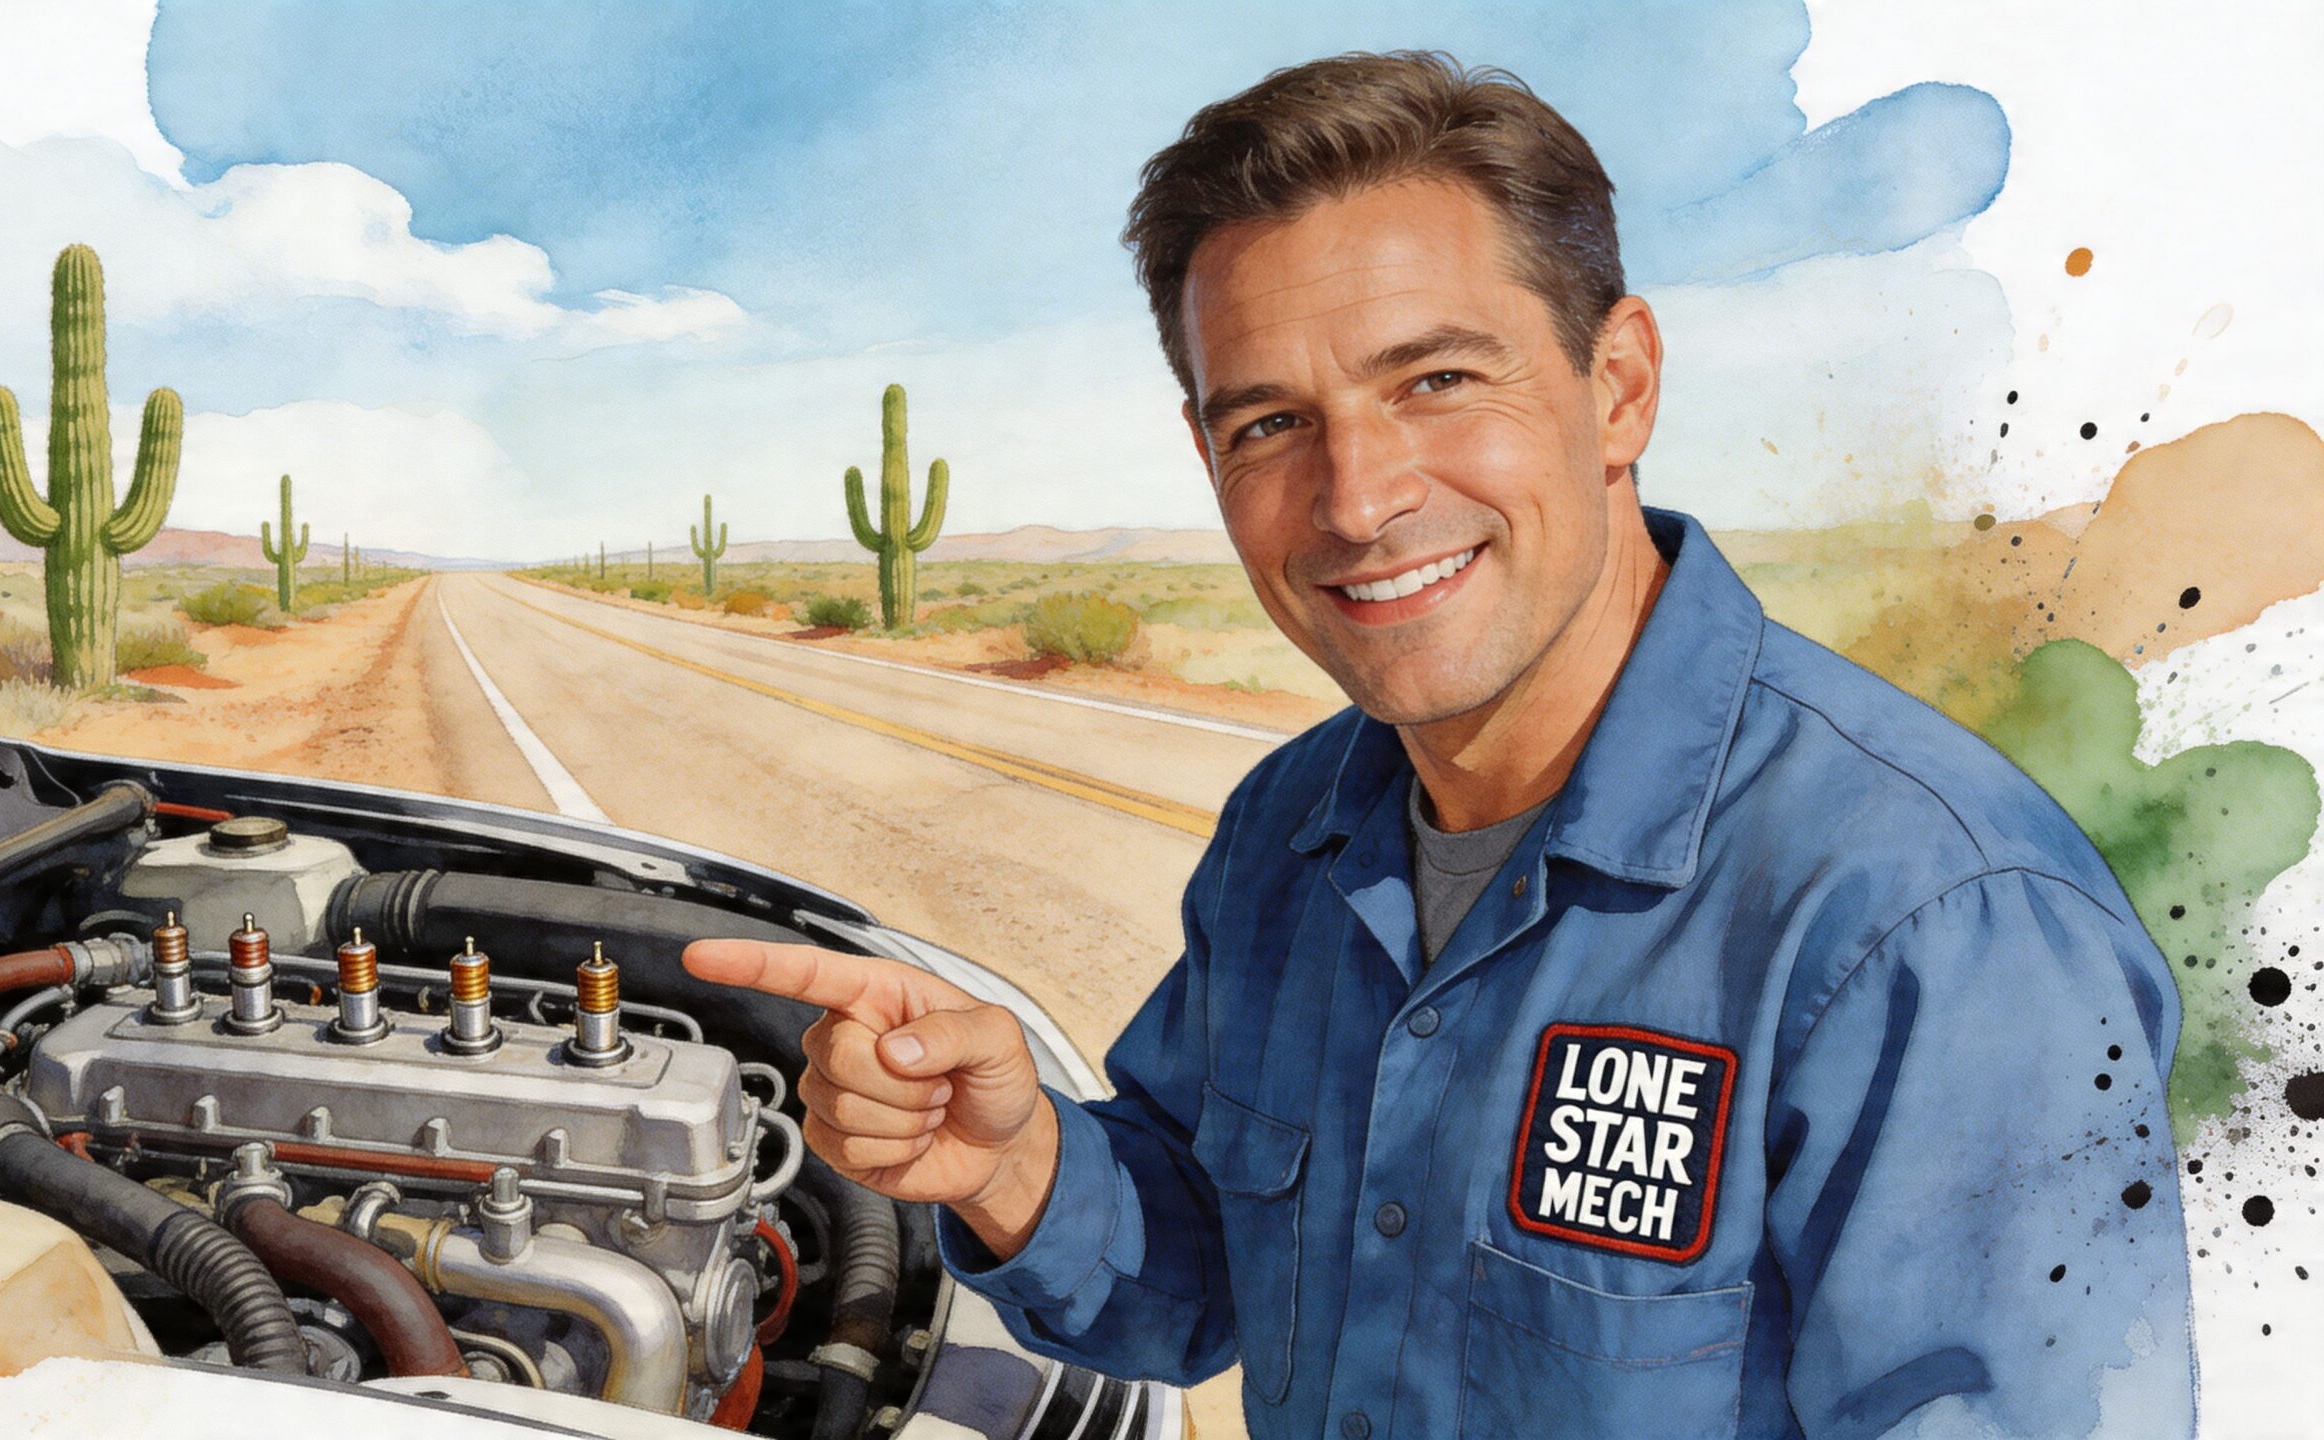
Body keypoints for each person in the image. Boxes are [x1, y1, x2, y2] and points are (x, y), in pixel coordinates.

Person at [687, 50, 2195, 1439]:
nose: (1356, 497)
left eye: (1437, 380)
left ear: (1619, 386)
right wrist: (1011, 1166)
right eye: (1270, 424)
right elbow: (1207, 1267)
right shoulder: (1295, 828)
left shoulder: (1935, 919)